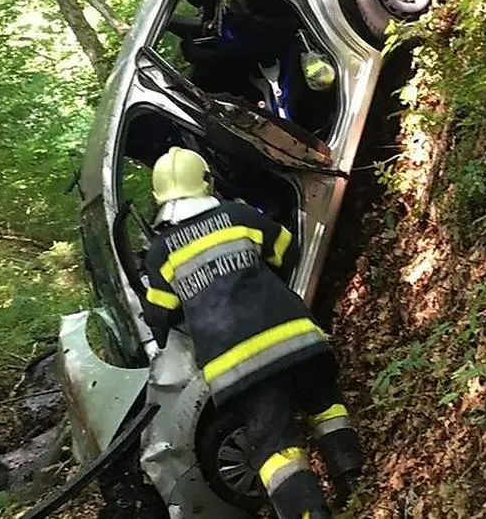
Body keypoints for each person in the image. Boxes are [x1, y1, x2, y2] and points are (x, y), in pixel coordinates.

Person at [141, 147, 362, 519]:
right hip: (294, 339)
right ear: (206, 181)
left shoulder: (161, 253)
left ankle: (310, 513)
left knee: (275, 445)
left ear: (158, 196)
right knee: (325, 405)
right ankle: (352, 476)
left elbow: (158, 317)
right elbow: (287, 251)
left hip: (237, 367)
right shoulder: (239, 216)